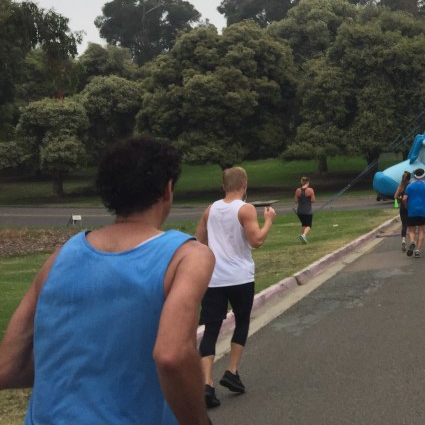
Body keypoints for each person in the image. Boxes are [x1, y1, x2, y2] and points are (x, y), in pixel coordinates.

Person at [0, 136, 214, 424]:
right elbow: (172, 355)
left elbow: (7, 368)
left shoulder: (60, 257)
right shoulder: (186, 256)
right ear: (167, 189)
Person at [196, 165, 276, 409]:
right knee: (241, 321)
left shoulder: (210, 210)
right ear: (245, 185)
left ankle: (207, 383)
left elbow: (200, 240)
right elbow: (257, 240)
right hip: (240, 277)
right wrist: (269, 221)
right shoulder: (245, 208)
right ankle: (231, 370)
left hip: (214, 278)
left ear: (223, 186)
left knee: (211, 329)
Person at [402, 167, 425, 258]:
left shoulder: (410, 186)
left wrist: (406, 206)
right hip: (423, 211)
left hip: (412, 211)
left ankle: (412, 242)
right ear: (423, 176)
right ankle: (417, 250)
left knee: (411, 230)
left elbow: (404, 199)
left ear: (415, 176)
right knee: (421, 230)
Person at [394, 169, 413, 252]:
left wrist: (400, 198)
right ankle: (412, 241)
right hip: (410, 207)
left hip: (402, 207)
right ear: (409, 178)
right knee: (411, 225)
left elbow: (395, 196)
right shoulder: (410, 186)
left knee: (404, 224)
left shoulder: (400, 186)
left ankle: (403, 240)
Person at [294, 175, 315, 243]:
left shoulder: (298, 190)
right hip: (307, 211)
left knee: (304, 224)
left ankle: (303, 238)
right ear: (308, 182)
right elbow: (313, 200)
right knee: (308, 225)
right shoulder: (310, 190)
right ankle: (304, 235)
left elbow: (295, 200)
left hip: (300, 210)